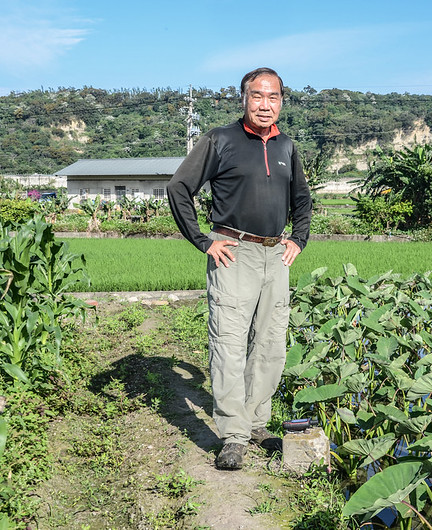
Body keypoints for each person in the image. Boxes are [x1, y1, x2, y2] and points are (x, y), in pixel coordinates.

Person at [167, 67, 312, 469]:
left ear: (282, 101)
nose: (265, 105)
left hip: (275, 255)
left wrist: (297, 239)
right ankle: (233, 434)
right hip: (233, 252)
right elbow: (178, 187)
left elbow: (303, 199)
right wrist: (203, 240)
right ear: (244, 98)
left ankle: (256, 423)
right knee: (229, 347)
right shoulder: (220, 140)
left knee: (270, 346)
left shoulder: (287, 146)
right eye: (258, 96)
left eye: (274, 97)